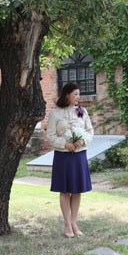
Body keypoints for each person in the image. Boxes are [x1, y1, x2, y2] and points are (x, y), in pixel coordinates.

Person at [47, 82, 94, 237]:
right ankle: (67, 225)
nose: (78, 97)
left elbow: (89, 131)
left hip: (79, 155)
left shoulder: (82, 111)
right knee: (65, 190)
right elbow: (50, 136)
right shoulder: (55, 114)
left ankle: (74, 223)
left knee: (77, 190)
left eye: (79, 94)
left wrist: (82, 141)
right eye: (75, 94)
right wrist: (65, 144)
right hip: (63, 156)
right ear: (67, 95)